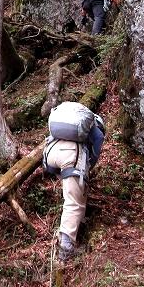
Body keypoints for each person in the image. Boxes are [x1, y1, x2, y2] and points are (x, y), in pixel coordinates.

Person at [42, 102, 105, 261]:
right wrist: (90, 163)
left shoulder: (67, 122)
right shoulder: (95, 127)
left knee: (73, 193)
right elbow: (98, 139)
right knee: (74, 202)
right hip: (70, 155)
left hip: (51, 152)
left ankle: (78, 223)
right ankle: (66, 247)